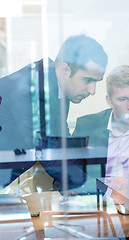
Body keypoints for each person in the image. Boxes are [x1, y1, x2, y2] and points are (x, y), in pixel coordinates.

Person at [0, 34, 108, 190]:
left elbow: (62, 141)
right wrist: (91, 186)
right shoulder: (31, 89)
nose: (92, 91)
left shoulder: (58, 88)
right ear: (65, 69)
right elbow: (46, 152)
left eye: (96, 81)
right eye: (87, 80)